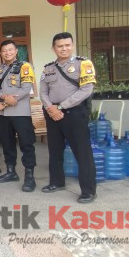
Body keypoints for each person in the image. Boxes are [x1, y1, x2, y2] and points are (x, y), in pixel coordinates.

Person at [41, 32, 97, 203]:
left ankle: (88, 190)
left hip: (74, 113)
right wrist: (50, 107)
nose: (64, 48)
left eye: (67, 45)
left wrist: (61, 107)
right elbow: (43, 91)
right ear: (53, 48)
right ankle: (57, 182)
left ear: (72, 45)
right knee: (55, 150)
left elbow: (86, 90)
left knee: (82, 152)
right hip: (52, 113)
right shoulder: (48, 68)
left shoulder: (83, 64)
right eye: (60, 46)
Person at [0, 40, 37, 192]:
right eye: (4, 50)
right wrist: (5, 97)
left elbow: (26, 88)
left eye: (10, 50)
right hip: (3, 114)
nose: (7, 53)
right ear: (1, 53)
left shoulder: (25, 66)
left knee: (26, 144)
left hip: (20, 112)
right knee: (7, 143)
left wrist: (9, 100)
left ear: (16, 51)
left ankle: (30, 176)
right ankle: (11, 172)